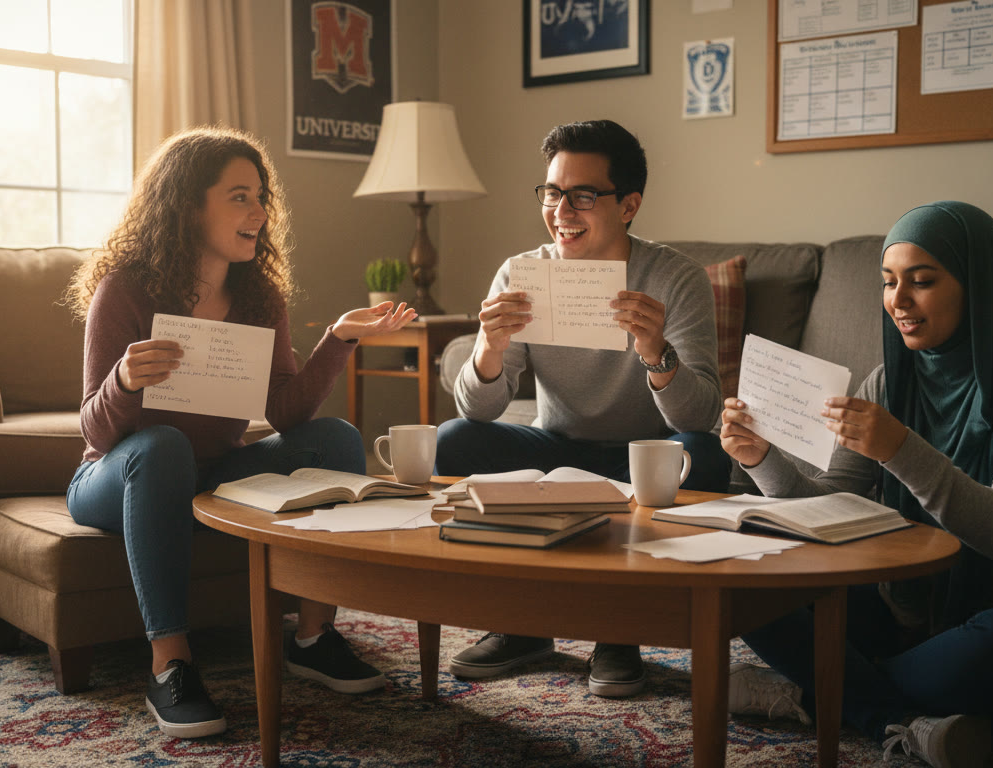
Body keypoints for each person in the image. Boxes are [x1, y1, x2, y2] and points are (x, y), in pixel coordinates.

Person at [718, 201, 993, 767]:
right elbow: (833, 509)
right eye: (888, 282)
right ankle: (892, 716)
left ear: (979, 288)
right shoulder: (888, 382)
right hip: (902, 616)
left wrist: (900, 449)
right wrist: (762, 460)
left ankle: (815, 688)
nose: (897, 301)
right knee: (747, 581)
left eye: (921, 281)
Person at [64, 126, 416, 739]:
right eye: (239, 197)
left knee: (335, 438)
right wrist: (123, 380)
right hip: (116, 477)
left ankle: (313, 638)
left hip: (214, 472)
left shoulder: (258, 298)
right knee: (162, 446)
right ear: (187, 206)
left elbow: (285, 412)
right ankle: (170, 665)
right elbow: (93, 427)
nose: (259, 212)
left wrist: (340, 339)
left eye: (261, 198)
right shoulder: (125, 289)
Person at [437, 119, 731, 698]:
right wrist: (489, 349)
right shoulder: (522, 273)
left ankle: (620, 629)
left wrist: (657, 352)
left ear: (629, 205)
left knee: (703, 454)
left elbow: (699, 417)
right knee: (453, 440)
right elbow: (479, 411)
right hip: (558, 446)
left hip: (644, 454)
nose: (561, 210)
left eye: (583, 195)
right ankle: (523, 623)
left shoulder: (676, 277)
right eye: (552, 192)